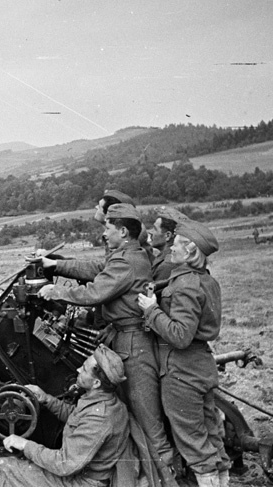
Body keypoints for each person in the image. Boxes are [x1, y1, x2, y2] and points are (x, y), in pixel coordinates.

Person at [35, 204, 177, 486]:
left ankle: (170, 478)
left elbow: (97, 291)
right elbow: (97, 269)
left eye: (107, 228)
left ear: (123, 231)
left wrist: (57, 291)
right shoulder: (127, 256)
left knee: (147, 419)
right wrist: (57, 264)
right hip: (124, 339)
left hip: (134, 345)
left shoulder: (126, 261)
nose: (103, 234)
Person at [137, 220, 231, 487]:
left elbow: (180, 335)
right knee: (212, 438)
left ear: (189, 252)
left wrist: (151, 310)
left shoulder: (185, 285)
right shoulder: (205, 280)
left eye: (176, 244)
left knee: (194, 444)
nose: (171, 249)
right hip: (200, 365)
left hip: (181, 372)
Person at [0, 345, 145, 487]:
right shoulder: (104, 402)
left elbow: (64, 464)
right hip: (76, 470)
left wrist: (25, 445)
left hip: (80, 482)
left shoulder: (100, 418)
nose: (79, 369)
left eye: (85, 369)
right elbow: (76, 417)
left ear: (96, 383)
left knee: (0, 469)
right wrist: (46, 399)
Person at [149, 206, 189, 283]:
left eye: (155, 229)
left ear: (167, 235)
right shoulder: (166, 256)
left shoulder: (168, 264)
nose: (150, 232)